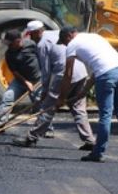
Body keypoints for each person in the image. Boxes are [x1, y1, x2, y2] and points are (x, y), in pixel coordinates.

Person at [57, 26, 118, 163]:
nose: (65, 45)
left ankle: (98, 153)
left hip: (106, 76)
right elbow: (100, 67)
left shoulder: (72, 45)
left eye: (64, 42)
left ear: (68, 36)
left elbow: (68, 74)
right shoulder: (94, 37)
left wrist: (61, 98)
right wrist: (83, 91)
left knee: (105, 115)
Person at [13, 21, 95, 149]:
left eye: (31, 35)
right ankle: (89, 140)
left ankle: (31, 138)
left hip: (65, 75)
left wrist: (44, 90)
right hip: (81, 72)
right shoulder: (56, 33)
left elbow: (46, 70)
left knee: (47, 107)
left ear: (38, 32)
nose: (31, 38)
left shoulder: (42, 44)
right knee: (78, 108)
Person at [0, 29, 42, 126]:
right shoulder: (9, 54)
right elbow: (14, 72)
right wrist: (26, 82)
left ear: (18, 41)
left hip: (37, 80)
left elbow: (42, 57)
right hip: (20, 81)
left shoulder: (31, 45)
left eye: (10, 43)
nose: (8, 46)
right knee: (7, 97)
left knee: (39, 103)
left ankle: (45, 127)